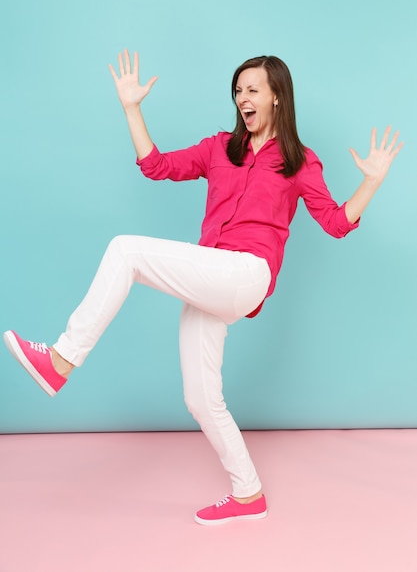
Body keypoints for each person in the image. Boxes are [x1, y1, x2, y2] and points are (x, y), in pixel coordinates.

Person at [3, 50, 403, 526]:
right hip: (211, 275)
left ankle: (63, 359)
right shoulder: (220, 148)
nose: (242, 98)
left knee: (126, 250)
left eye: (252, 89)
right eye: (238, 91)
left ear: (277, 96)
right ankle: (248, 493)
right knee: (200, 397)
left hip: (246, 274)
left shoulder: (299, 161)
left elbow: (336, 223)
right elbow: (156, 166)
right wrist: (133, 109)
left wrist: (371, 183)